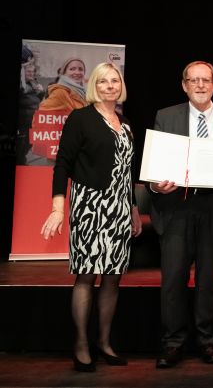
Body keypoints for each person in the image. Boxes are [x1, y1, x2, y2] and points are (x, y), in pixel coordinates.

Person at [40, 62, 142, 372]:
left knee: (113, 278)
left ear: (120, 85)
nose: (110, 86)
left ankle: (104, 342)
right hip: (90, 208)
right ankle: (81, 343)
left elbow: (127, 173)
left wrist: (134, 210)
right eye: (103, 82)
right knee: (86, 275)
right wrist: (58, 207)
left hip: (120, 210)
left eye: (115, 81)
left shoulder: (125, 124)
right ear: (93, 86)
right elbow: (63, 165)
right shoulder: (80, 118)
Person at [148, 60, 213, 369]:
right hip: (177, 204)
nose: (200, 85)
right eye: (194, 80)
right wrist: (156, 185)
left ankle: (206, 341)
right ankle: (173, 343)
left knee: (209, 279)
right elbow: (155, 164)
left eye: (206, 80)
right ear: (184, 85)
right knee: (173, 278)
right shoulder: (166, 116)